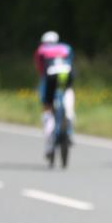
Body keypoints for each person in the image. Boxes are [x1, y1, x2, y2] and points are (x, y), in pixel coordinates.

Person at [33, 31, 75, 161]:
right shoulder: (66, 47)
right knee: (67, 103)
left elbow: (40, 69)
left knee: (48, 110)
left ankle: (49, 146)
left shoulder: (41, 50)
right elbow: (71, 61)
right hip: (65, 77)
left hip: (49, 79)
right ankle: (69, 127)